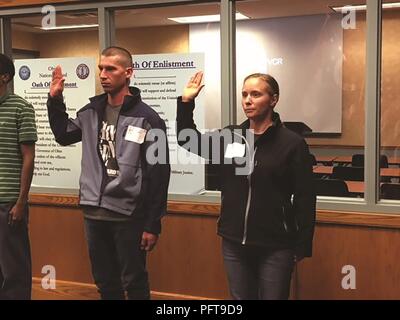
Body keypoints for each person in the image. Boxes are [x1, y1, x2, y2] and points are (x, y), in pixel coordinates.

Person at [176, 71, 315, 300]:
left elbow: (305, 197)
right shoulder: (230, 136)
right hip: (234, 242)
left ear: (273, 99)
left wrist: (302, 245)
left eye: (256, 94)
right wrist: (186, 102)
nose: (248, 100)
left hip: (276, 245)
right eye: (244, 94)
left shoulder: (292, 143)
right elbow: (186, 139)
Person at [47, 46, 170, 300]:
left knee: (134, 281)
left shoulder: (148, 119)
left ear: (128, 73)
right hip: (94, 213)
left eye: (110, 69)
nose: (103, 74)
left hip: (128, 215)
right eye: (101, 68)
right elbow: (63, 135)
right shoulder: (90, 111)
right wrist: (55, 100)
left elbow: (159, 174)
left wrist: (152, 223)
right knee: (105, 282)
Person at [0, 54, 37, 300]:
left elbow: (28, 158)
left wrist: (21, 201)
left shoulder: (21, 107)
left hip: (8, 203)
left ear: (5, 77)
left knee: (14, 270)